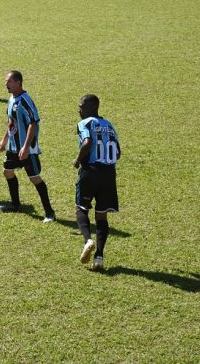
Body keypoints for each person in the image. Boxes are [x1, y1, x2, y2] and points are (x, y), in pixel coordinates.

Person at [0, 71, 55, 223]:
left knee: (34, 178)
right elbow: (11, 122)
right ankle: (16, 205)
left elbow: (33, 123)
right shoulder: (11, 99)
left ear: (18, 82)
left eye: (9, 81)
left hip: (26, 149)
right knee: (7, 172)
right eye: (6, 81)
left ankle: (50, 213)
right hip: (13, 147)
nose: (6, 84)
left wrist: (26, 147)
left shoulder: (25, 101)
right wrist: (4, 140)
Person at [73, 94, 121, 270]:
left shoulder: (85, 123)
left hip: (90, 171)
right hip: (109, 174)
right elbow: (118, 152)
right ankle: (99, 257)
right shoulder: (109, 125)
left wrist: (78, 160)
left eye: (81, 106)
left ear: (92, 107)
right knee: (101, 215)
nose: (79, 109)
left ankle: (87, 241)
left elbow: (87, 142)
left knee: (81, 208)